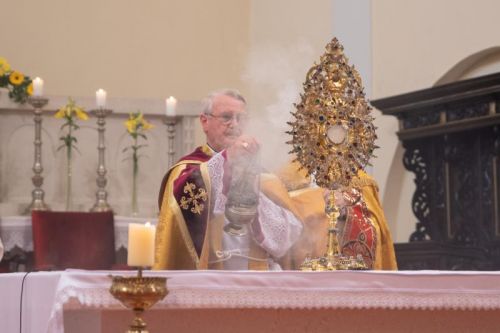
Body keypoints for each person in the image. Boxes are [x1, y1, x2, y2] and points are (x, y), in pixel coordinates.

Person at [153, 89, 303, 270]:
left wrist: (254, 197)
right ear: (204, 121)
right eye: (226, 117)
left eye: (241, 118)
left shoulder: (263, 175)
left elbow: (287, 238)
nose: (235, 124)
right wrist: (227, 160)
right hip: (211, 280)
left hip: (260, 279)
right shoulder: (188, 169)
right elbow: (180, 209)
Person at [278, 161, 397, 270]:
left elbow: (374, 227)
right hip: (301, 270)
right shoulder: (286, 177)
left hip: (343, 272)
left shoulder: (359, 180)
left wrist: (347, 208)